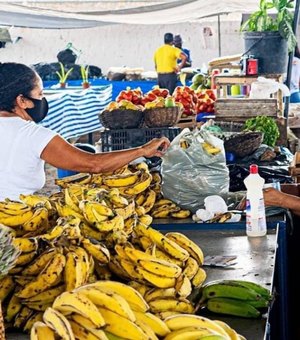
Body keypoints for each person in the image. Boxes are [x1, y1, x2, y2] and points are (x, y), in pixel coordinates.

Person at [0, 62, 170, 201]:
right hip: (10, 225)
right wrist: (143, 150)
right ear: (22, 100)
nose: (42, 100)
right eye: (40, 94)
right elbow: (93, 164)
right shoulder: (33, 135)